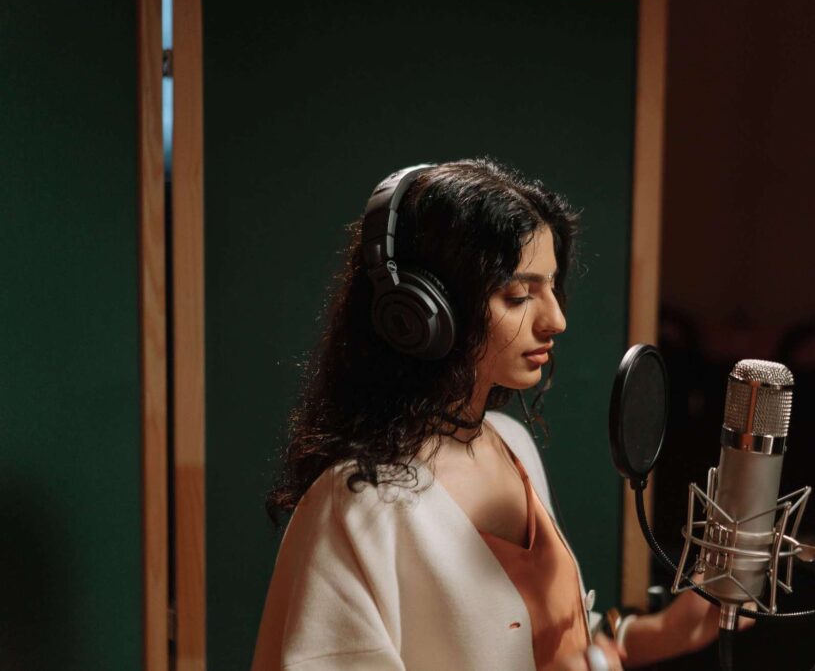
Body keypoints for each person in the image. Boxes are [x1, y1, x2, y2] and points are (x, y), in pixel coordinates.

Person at [251, 159, 732, 670]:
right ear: (424, 312)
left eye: (551, 286)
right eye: (519, 295)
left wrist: (670, 630)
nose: (556, 320)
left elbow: (543, 639)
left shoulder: (511, 442)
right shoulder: (358, 504)